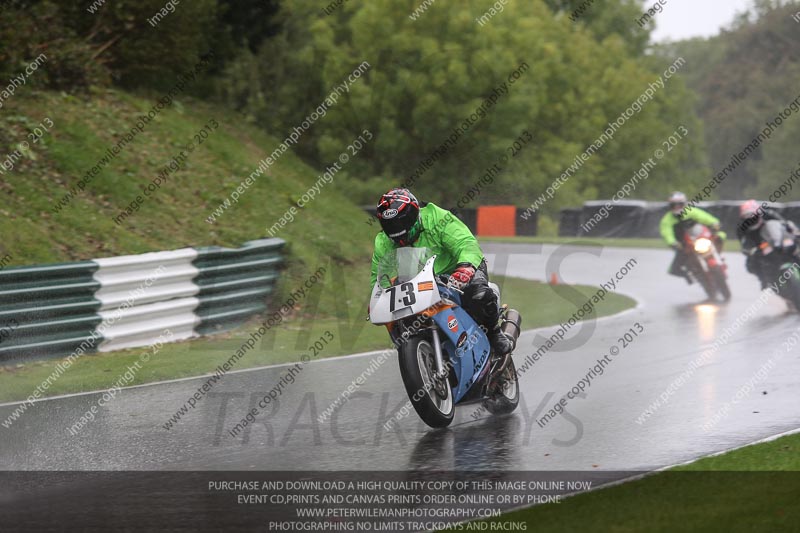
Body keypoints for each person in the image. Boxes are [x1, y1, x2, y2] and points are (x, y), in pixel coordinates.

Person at [370, 187, 514, 356]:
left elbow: (466, 243)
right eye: (390, 225)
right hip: (421, 283)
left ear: (414, 214)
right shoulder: (383, 241)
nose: (397, 228)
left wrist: (466, 267)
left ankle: (495, 332)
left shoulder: (438, 218)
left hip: (458, 271)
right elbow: (379, 277)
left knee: (478, 294)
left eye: (402, 221)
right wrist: (378, 297)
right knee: (396, 314)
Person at [659, 191, 724, 283]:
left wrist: (714, 223)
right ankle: (689, 275)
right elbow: (667, 233)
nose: (677, 207)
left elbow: (705, 217)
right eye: (674, 205)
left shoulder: (691, 211)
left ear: (684, 204)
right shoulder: (666, 220)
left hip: (698, 238)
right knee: (674, 269)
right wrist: (672, 242)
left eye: (679, 204)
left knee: (719, 236)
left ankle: (720, 257)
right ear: (670, 206)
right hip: (683, 244)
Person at [737, 199, 800, 289]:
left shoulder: (769, 214)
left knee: (794, 245)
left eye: (753, 214)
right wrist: (750, 251)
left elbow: (784, 224)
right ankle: (765, 281)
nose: (751, 218)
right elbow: (744, 244)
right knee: (751, 264)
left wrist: (793, 232)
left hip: (778, 240)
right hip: (762, 246)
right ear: (743, 217)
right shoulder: (742, 228)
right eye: (747, 215)